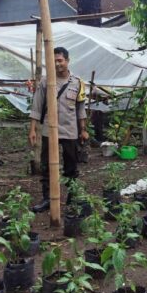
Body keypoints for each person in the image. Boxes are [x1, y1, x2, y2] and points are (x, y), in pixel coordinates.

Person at [28, 47, 88, 212]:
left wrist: (83, 129)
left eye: (60, 60)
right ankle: (48, 199)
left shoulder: (77, 82)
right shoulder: (46, 82)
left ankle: (72, 198)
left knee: (71, 166)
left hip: (70, 130)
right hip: (49, 130)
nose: (57, 63)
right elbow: (37, 106)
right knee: (47, 166)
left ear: (67, 61)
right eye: (54, 61)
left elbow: (81, 109)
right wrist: (33, 130)